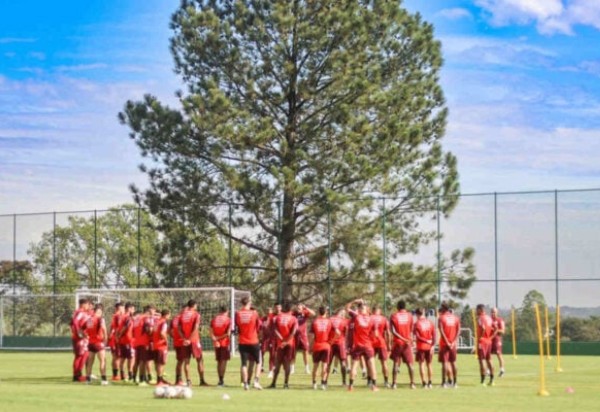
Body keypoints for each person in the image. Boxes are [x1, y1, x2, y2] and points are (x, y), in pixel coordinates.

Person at [345, 298, 378, 392]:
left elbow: (347, 308)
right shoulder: (371, 319)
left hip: (357, 345)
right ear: (367, 310)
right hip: (368, 345)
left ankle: (350, 386)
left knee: (354, 365)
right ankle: (374, 386)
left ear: (359, 310)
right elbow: (375, 334)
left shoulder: (356, 316)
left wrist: (355, 301)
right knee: (372, 365)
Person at [235, 296, 263, 390]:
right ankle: (256, 381)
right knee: (259, 361)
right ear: (249, 303)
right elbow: (258, 326)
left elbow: (237, 326)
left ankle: (246, 383)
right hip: (253, 340)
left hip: (242, 341)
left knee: (243, 364)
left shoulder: (238, 313)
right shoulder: (254, 313)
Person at [268, 301, 297, 389]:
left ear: (283, 308)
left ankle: (273, 383)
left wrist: (282, 340)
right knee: (287, 363)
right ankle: (286, 384)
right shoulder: (293, 318)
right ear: (290, 309)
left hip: (280, 344)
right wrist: (287, 341)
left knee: (277, 363)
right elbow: (293, 332)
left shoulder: (278, 317)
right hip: (289, 344)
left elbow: (275, 330)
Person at [178, 299, 207, 387]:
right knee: (200, 360)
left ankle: (188, 381)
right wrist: (190, 339)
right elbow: (196, 327)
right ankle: (202, 381)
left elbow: (179, 328)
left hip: (185, 341)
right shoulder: (196, 314)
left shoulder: (182, 315)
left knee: (187, 362)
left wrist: (184, 338)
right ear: (194, 305)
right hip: (194, 340)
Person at [389, 300, 415, 389]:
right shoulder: (410, 316)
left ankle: (394, 384)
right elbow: (411, 330)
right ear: (405, 307)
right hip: (407, 343)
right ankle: (412, 384)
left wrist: (402, 338)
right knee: (410, 364)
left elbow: (393, 331)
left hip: (398, 343)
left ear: (398, 307)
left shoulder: (394, 316)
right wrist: (409, 340)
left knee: (396, 363)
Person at [84, 303, 108, 385]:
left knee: (90, 362)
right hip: (98, 343)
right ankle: (104, 380)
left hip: (91, 343)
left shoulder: (89, 319)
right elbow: (104, 330)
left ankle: (88, 380)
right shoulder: (100, 319)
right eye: (100, 312)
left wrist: (88, 337)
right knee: (103, 361)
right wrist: (105, 341)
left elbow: (84, 331)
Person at [438, 302, 460, 388]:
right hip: (453, 344)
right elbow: (458, 330)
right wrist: (454, 341)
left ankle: (443, 383)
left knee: (445, 363)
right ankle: (455, 383)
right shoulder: (455, 318)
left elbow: (441, 331)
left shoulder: (441, 318)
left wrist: (447, 342)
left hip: (444, 344)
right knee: (453, 362)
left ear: (443, 308)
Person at [310, 306, 332, 390]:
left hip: (317, 346)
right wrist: (331, 341)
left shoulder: (315, 322)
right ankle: (323, 384)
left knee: (315, 366)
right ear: (326, 312)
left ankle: (314, 383)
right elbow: (337, 332)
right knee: (325, 366)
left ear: (319, 312)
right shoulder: (329, 322)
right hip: (326, 346)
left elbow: (311, 336)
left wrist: (310, 346)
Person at [70, 298, 91, 382]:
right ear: (83, 304)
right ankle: (76, 376)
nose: (88, 306)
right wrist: (79, 332)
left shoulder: (84, 313)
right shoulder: (80, 312)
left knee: (85, 354)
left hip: (84, 337)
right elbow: (75, 322)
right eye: (87, 304)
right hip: (79, 338)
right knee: (79, 356)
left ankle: (79, 374)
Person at [210, 306, 232, 387]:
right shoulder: (228, 320)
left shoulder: (214, 319)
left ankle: (220, 380)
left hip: (216, 343)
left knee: (219, 361)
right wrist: (219, 338)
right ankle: (221, 380)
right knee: (223, 361)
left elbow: (211, 331)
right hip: (224, 343)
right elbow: (228, 333)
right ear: (227, 311)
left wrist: (215, 339)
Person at [413, 308, 435, 389]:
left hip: (421, 346)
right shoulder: (430, 323)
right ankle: (430, 383)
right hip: (429, 347)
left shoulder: (417, 324)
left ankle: (424, 383)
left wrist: (426, 341)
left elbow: (417, 336)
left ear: (417, 314)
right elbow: (434, 335)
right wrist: (432, 345)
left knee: (421, 364)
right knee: (429, 364)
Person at [292, 303, 315, 374]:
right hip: (295, 335)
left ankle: (306, 368)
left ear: (302, 308)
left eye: (300, 307)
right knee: (293, 351)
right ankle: (292, 368)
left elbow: (313, 313)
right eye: (297, 307)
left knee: (305, 351)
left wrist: (306, 307)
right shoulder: (294, 314)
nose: (298, 308)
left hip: (303, 335)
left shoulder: (304, 313)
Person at [370, 306, 390, 388]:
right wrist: (389, 344)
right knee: (384, 363)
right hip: (381, 342)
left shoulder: (370, 318)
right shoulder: (384, 319)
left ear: (373, 310)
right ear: (380, 311)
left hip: (371, 343)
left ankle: (370, 381)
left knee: (371, 363)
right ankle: (386, 381)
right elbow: (388, 333)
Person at [329, 308, 349, 386]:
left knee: (328, 363)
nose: (344, 315)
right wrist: (346, 345)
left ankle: (324, 382)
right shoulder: (344, 321)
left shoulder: (330, 319)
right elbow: (346, 334)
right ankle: (344, 382)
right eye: (343, 313)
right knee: (343, 362)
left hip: (331, 343)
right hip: (341, 343)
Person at [116, 302, 135, 381]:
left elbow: (118, 327)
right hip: (128, 340)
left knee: (123, 357)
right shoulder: (128, 317)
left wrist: (118, 336)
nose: (134, 310)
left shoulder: (122, 316)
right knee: (131, 358)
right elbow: (125, 327)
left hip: (123, 340)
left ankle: (122, 374)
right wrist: (120, 335)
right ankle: (130, 375)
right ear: (129, 309)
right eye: (133, 309)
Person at [476, 304, 495, 386]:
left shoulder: (480, 318)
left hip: (482, 342)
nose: (476, 311)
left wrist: (480, 338)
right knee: (489, 360)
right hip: (488, 341)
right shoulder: (489, 318)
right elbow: (495, 329)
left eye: (477, 310)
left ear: (480, 310)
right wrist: (490, 337)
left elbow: (483, 328)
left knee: (482, 360)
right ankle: (492, 380)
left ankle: (482, 381)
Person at [153, 309, 171, 386]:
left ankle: (160, 379)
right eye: (169, 315)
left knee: (157, 363)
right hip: (161, 345)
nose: (170, 317)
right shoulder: (164, 323)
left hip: (155, 345)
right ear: (166, 315)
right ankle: (159, 380)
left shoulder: (157, 322)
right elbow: (162, 333)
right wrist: (166, 341)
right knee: (161, 363)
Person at [108, 302, 124, 381]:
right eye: (122, 307)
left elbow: (112, 327)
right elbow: (116, 328)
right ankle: (116, 375)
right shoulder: (118, 316)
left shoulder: (115, 316)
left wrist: (110, 336)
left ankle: (115, 375)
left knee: (115, 357)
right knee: (117, 357)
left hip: (113, 339)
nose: (123, 309)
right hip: (116, 339)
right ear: (120, 308)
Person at [170, 305, 186, 385]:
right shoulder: (183, 318)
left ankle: (178, 379)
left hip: (177, 342)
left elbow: (170, 331)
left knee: (180, 361)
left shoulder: (174, 318)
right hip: (182, 342)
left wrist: (174, 337)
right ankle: (178, 379)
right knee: (181, 361)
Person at [491, 307, 506, 377]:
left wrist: (496, 330)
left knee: (498, 354)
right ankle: (489, 370)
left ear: (497, 312)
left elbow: (503, 331)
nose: (493, 313)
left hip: (497, 340)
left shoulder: (500, 320)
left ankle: (502, 370)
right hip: (490, 340)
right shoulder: (489, 320)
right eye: (492, 312)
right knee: (489, 356)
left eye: (494, 312)